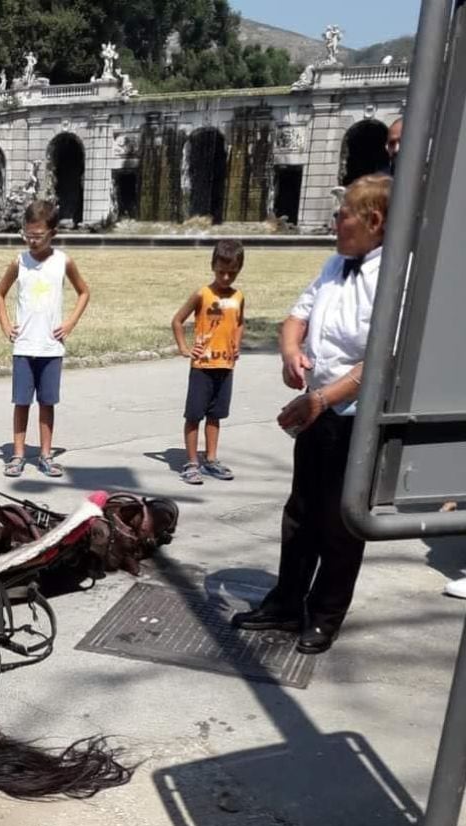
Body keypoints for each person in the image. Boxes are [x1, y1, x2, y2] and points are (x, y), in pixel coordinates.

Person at [232, 174, 392, 654]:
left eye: (342, 213)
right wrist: (290, 353)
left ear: (374, 221)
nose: (334, 221)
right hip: (319, 408)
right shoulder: (334, 264)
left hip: (358, 418)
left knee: (341, 521)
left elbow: (382, 359)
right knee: (301, 513)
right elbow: (295, 317)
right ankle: (285, 601)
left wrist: (322, 399)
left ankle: (324, 614)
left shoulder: (395, 278)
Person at [0, 199, 90, 478]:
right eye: (28, 235)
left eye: (38, 236)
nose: (32, 241)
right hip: (24, 346)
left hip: (51, 347)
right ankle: (18, 455)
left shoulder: (63, 262)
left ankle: (46, 455)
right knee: (21, 402)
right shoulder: (19, 263)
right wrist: (5, 325)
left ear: (53, 233)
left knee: (47, 403)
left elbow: (84, 292)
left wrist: (69, 323)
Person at [171, 239, 246, 485]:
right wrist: (185, 348)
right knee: (194, 415)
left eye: (232, 273)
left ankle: (211, 459)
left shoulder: (238, 297)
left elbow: (239, 322)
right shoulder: (202, 294)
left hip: (225, 366)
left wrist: (237, 343)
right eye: (221, 271)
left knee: (216, 415)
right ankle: (192, 462)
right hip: (202, 367)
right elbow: (177, 321)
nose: (225, 277)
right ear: (212, 265)